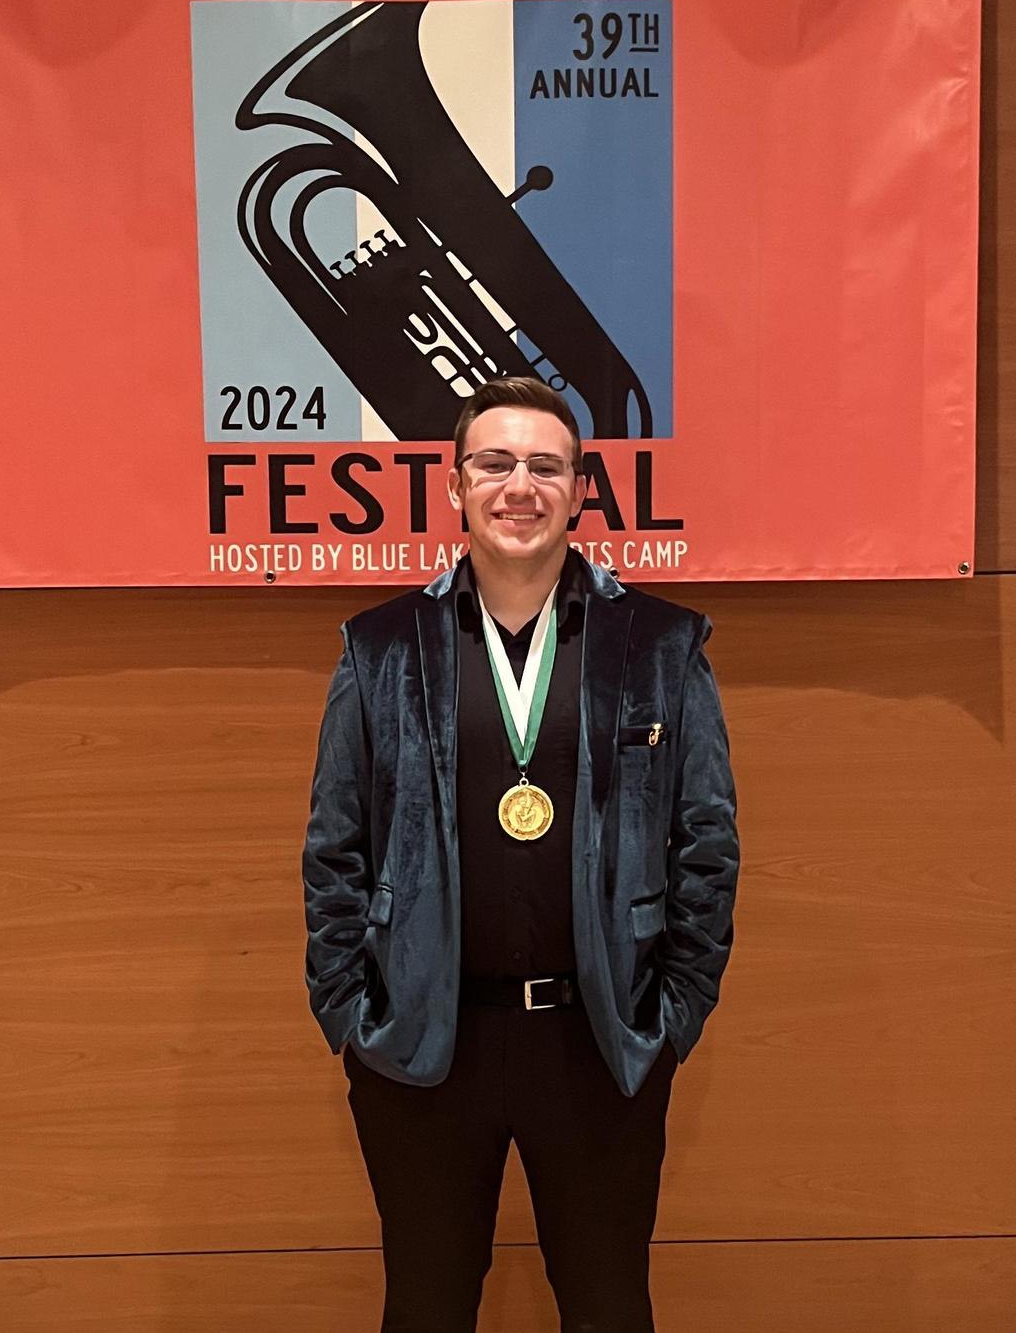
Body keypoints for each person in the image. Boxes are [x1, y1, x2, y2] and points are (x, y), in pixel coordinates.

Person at [302, 376, 739, 1333]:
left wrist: (670, 1017)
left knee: (608, 1308)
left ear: (581, 489)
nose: (520, 485)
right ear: (455, 486)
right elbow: (332, 849)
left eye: (545, 465)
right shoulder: (381, 649)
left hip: (600, 1041)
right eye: (494, 463)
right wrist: (351, 1010)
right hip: (421, 1046)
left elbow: (708, 846)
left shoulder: (661, 644)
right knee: (424, 1307)